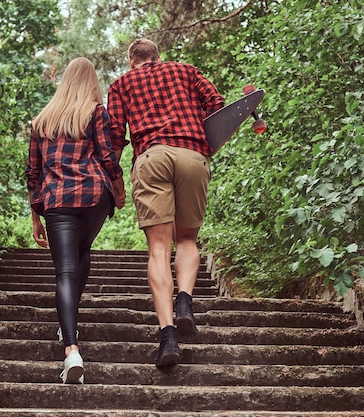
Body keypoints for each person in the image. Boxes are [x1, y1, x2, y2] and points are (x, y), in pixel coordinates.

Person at [107, 39, 224, 367]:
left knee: (158, 249)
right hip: (192, 155)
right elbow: (217, 104)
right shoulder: (186, 71)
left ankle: (168, 337)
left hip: (151, 156)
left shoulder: (122, 83)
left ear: (132, 61)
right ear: (159, 56)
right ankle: (185, 301)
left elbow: (116, 136)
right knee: (187, 239)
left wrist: (115, 182)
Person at [26, 57, 125, 383]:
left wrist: (35, 216)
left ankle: (71, 347)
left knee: (65, 271)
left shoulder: (42, 121)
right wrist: (119, 186)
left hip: (56, 198)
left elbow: (33, 173)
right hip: (94, 195)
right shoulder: (96, 112)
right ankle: (70, 322)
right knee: (83, 252)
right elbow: (107, 155)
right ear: (91, 81)